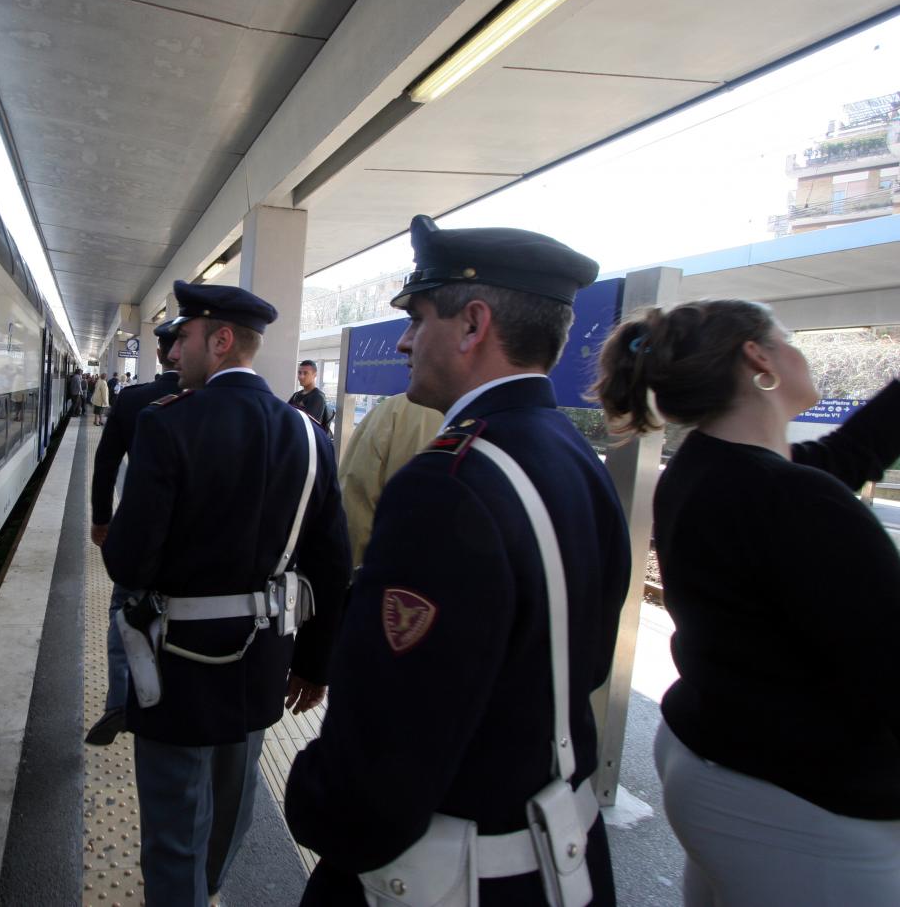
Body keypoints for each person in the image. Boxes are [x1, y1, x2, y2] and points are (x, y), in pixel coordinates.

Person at [284, 216, 630, 906]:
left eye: (417, 316)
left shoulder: (448, 483)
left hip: (454, 876)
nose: (407, 340)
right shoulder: (574, 458)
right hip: (560, 857)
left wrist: (312, 800)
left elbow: (385, 741)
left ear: (472, 324)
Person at [594, 300, 900, 907]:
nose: (799, 351)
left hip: (723, 765)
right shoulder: (791, 498)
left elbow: (839, 460)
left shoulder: (709, 469)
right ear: (758, 358)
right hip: (809, 804)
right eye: (788, 338)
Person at [103, 281, 351, 907]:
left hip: (175, 663)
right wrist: (316, 665)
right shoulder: (310, 437)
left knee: (173, 822)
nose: (173, 351)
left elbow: (128, 562)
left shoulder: (168, 425)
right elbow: (331, 562)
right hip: (263, 661)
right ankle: (206, 892)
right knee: (233, 807)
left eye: (182, 337)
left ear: (218, 342)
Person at [85, 321, 181, 746]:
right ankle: (167, 699)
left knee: (124, 613)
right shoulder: (213, 403)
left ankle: (119, 701)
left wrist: (101, 519)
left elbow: (106, 465)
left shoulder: (135, 399)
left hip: (138, 534)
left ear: (160, 354)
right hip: (193, 542)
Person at [337, 392, 444, 566]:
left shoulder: (393, 413)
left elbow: (355, 511)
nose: (410, 363)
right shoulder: (494, 424)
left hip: (392, 580)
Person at [289, 359, 331, 434]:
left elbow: (308, 424)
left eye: (305, 373)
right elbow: (286, 413)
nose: (301, 376)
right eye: (299, 373)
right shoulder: (296, 395)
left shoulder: (317, 397)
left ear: (314, 375)